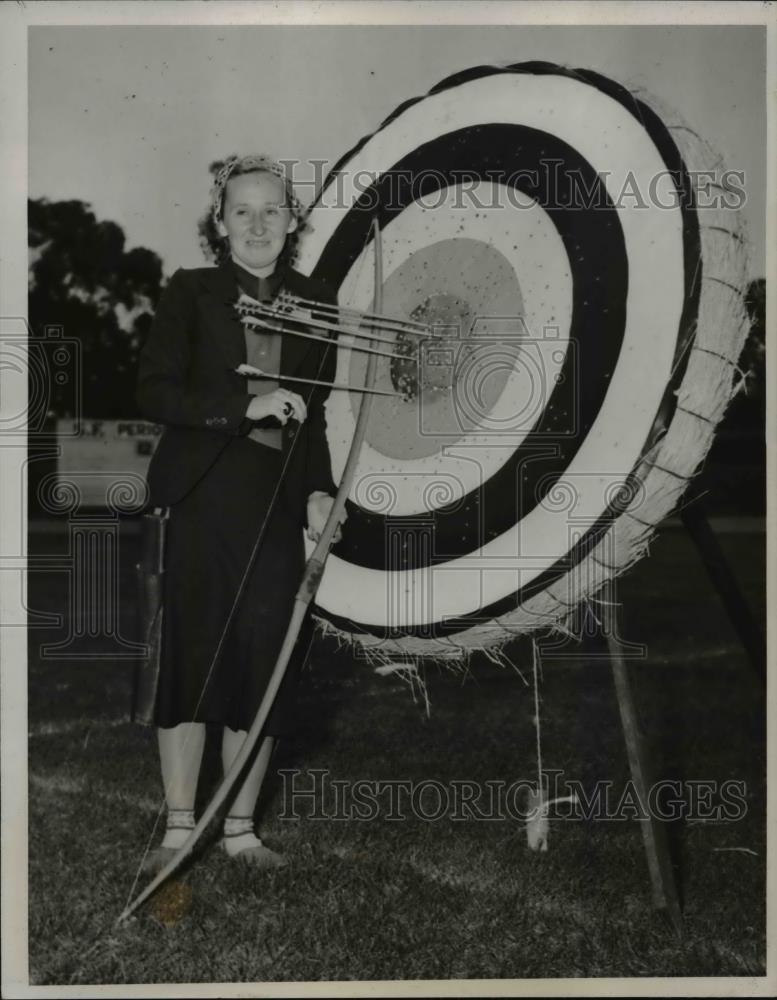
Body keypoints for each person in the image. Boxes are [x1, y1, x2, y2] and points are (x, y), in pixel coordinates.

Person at [136, 154, 343, 872]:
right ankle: (178, 826)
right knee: (191, 661)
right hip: (199, 498)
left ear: (293, 224)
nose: (258, 224)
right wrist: (240, 407)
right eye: (242, 211)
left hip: (275, 509)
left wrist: (316, 490)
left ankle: (241, 831)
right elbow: (154, 391)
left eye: (273, 211)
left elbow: (312, 419)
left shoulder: (319, 302)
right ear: (219, 226)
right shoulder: (190, 292)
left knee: (265, 667)